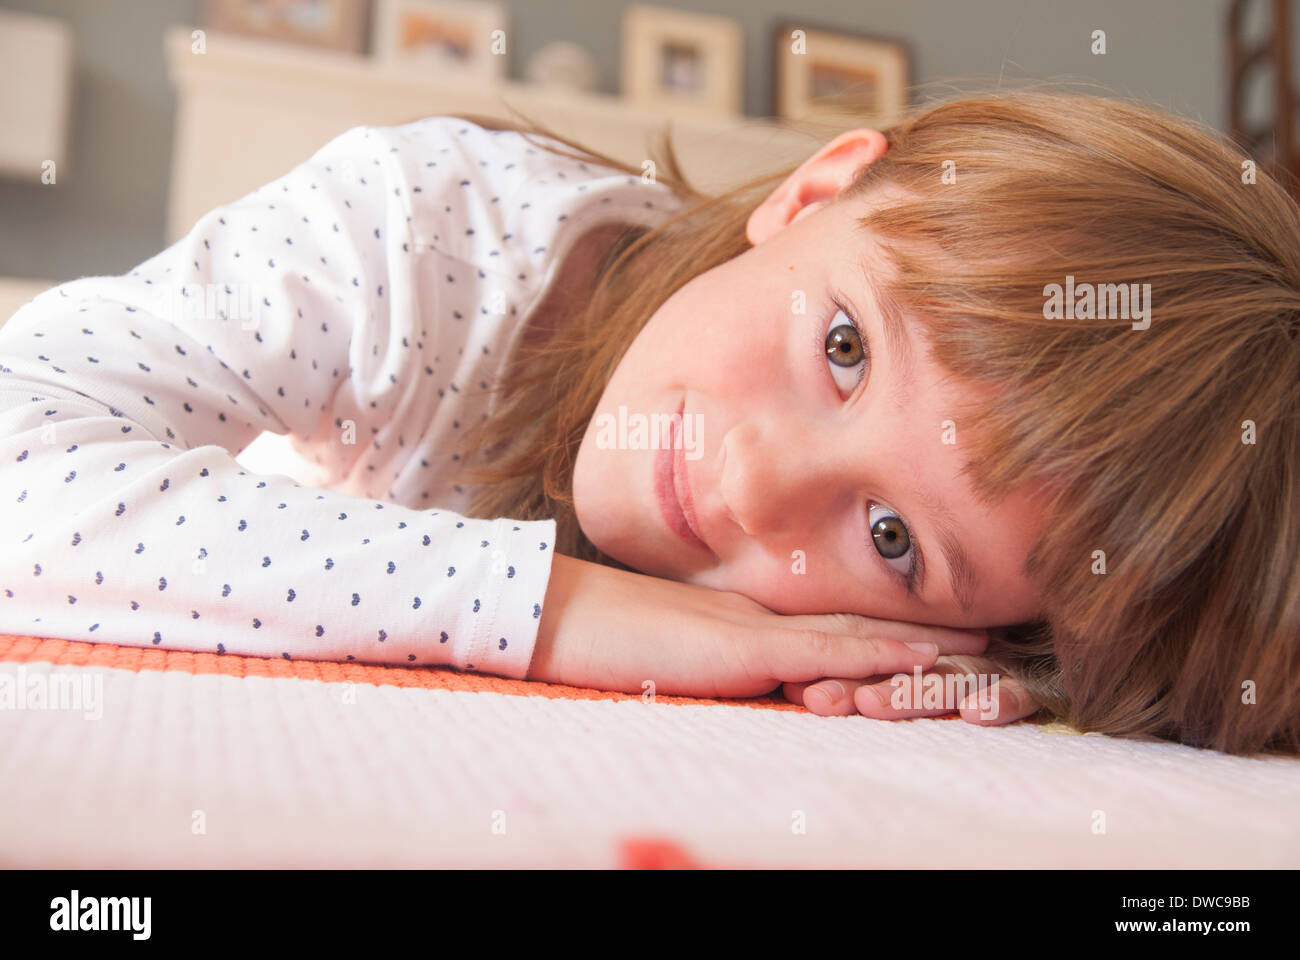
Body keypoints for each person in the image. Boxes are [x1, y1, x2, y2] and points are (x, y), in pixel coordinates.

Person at [2, 90, 1296, 756]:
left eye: (894, 536)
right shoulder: (425, 226)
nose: (755, 480)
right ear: (817, 189)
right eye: (843, 348)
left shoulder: (932, 644)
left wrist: (1029, 687)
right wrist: (563, 611)